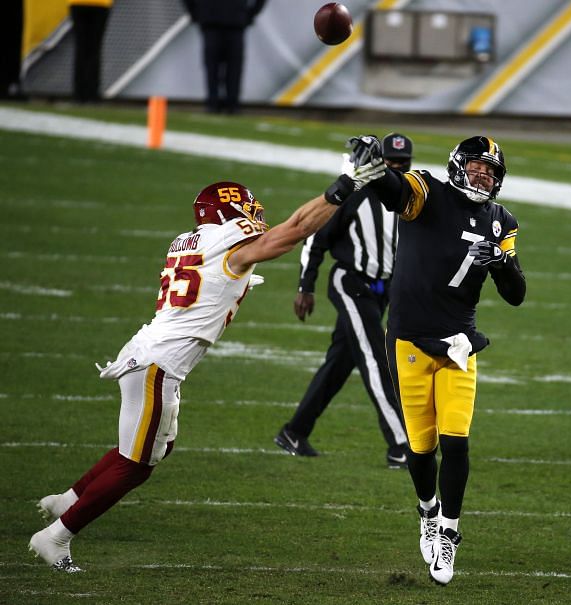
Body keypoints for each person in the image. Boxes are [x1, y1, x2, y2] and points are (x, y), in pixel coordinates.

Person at [28, 179, 350, 572]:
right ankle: (56, 537)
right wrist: (341, 190)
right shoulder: (230, 242)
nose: (253, 213)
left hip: (149, 356)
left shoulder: (191, 241)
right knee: (136, 465)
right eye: (245, 206)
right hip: (157, 365)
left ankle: (69, 499)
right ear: (227, 214)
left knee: (155, 448)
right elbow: (296, 229)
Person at [325, 135, 526, 585]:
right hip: (411, 340)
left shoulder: (501, 221)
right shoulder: (427, 191)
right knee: (421, 447)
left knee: (456, 440)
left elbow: (516, 296)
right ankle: (427, 511)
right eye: (477, 167)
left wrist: (501, 263)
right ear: (459, 165)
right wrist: (376, 169)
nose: (483, 176)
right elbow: (394, 191)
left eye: (491, 172)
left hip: (458, 341)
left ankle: (450, 532)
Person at [274, 133, 414, 469]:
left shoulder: (410, 195)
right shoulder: (356, 194)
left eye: (402, 163)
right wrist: (305, 286)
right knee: (375, 358)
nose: (395, 168)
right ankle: (400, 444)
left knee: (340, 363)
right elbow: (316, 239)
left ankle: (294, 432)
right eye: (390, 162)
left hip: (384, 290)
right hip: (350, 282)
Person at [182, 0, 267, 114]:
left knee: (234, 68)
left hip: (235, 22)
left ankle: (233, 103)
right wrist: (196, 13)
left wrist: (250, 14)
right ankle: (213, 103)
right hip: (211, 21)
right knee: (212, 68)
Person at [69, 0, 113, 103]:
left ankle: (79, 94)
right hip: (100, 4)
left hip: (78, 3)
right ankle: (92, 94)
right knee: (94, 50)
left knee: (81, 49)